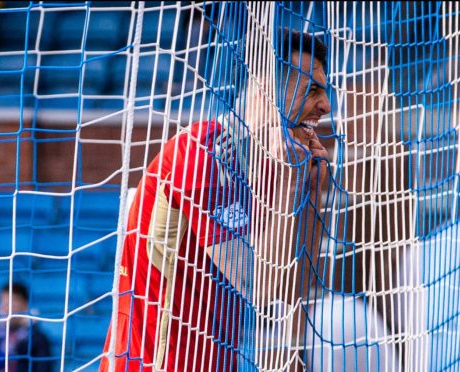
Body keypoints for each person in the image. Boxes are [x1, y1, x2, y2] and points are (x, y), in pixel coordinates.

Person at [100, 28, 331, 372]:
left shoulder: (268, 166)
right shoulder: (205, 154)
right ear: (266, 91)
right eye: (312, 90)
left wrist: (312, 193)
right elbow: (261, 289)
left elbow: (292, 285)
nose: (325, 106)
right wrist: (290, 189)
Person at [0, 282, 52, 372]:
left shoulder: (38, 339)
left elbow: (43, 368)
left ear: (25, 305)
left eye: (11, 304)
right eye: (3, 303)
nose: (5, 309)